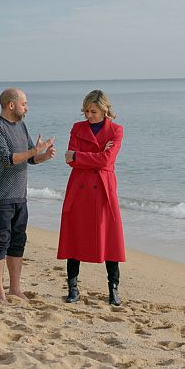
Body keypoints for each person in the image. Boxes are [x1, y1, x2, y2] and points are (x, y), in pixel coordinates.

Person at [0, 87, 55, 302]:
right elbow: (6, 159)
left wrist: (43, 156)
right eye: (24, 104)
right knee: (0, 242)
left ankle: (15, 289)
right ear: (11, 105)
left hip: (19, 195)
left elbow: (30, 158)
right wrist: (33, 152)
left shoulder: (21, 126)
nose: (27, 108)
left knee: (17, 242)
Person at [57, 89, 126, 305]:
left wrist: (80, 156)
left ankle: (113, 289)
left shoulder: (116, 130)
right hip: (79, 189)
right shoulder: (77, 128)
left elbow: (106, 161)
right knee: (74, 237)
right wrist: (94, 155)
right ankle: (73, 288)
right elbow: (70, 160)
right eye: (86, 111)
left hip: (104, 190)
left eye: (93, 111)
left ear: (104, 110)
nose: (89, 115)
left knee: (110, 240)